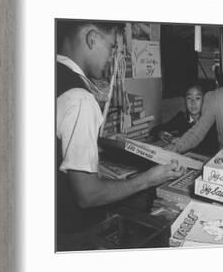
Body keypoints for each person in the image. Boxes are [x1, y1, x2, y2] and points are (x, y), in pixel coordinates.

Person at [56, 21, 184, 237]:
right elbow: (87, 195)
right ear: (92, 38)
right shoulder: (80, 99)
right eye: (112, 47)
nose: (112, 58)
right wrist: (148, 179)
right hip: (69, 230)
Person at [150, 84, 219, 155]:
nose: (193, 103)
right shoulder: (181, 117)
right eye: (189, 98)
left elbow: (211, 149)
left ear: (204, 101)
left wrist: (180, 143)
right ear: (185, 101)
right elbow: (155, 129)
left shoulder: (210, 120)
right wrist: (161, 134)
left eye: (197, 98)